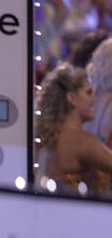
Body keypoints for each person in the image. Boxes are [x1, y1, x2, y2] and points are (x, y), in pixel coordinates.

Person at [35, 63, 112, 196]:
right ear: (71, 98)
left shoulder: (52, 138)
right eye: (89, 93)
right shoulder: (80, 141)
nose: (94, 99)